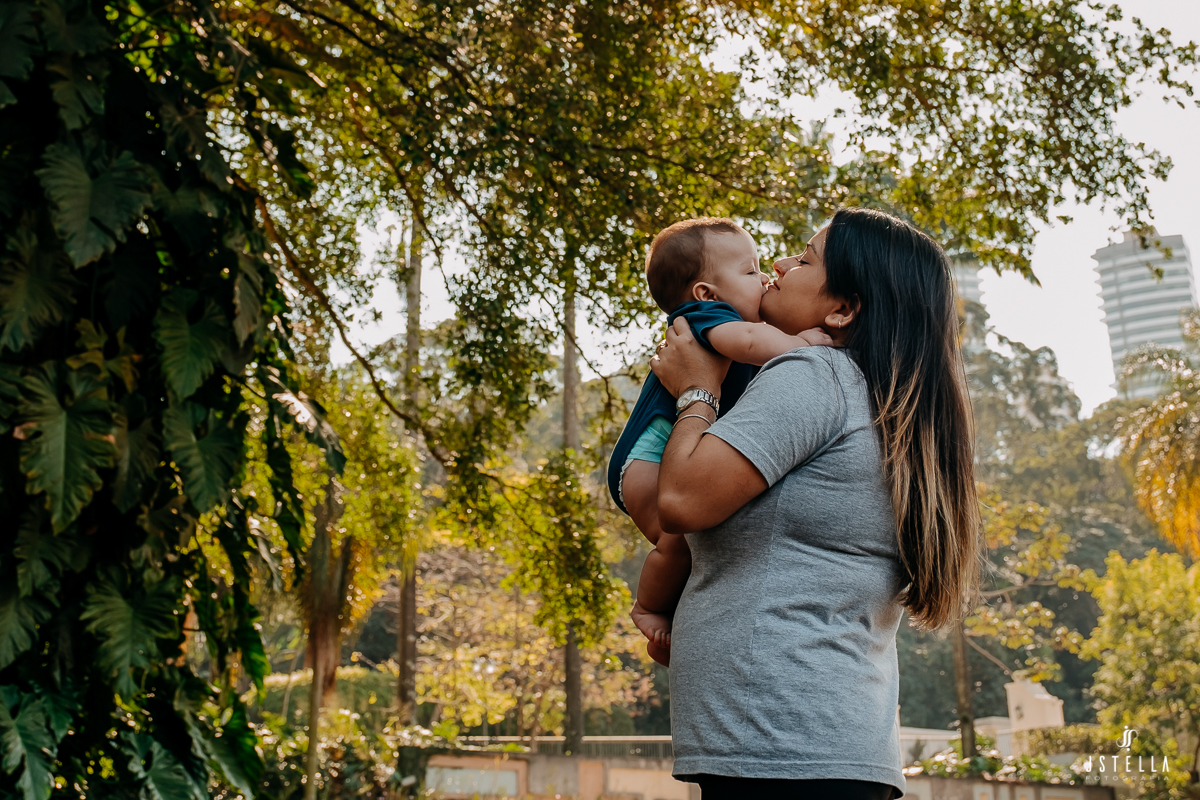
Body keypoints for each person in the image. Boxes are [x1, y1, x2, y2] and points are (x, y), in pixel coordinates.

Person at [648, 207, 980, 799]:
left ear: (844, 309)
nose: (779, 264)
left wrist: (695, 387)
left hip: (777, 745)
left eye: (803, 259)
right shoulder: (881, 403)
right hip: (822, 744)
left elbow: (677, 499)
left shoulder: (816, 375)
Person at [606, 217, 831, 655]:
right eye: (750, 271)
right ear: (706, 292)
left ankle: (677, 617)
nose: (766, 276)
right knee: (678, 538)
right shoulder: (705, 317)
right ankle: (648, 608)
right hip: (646, 459)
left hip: (674, 449)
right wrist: (804, 345)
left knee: (698, 543)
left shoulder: (730, 319)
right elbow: (750, 342)